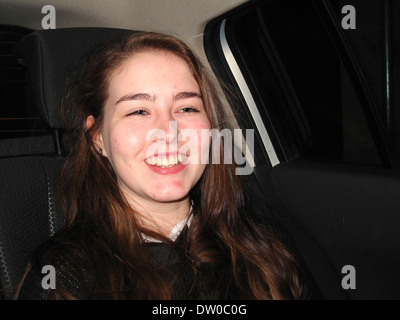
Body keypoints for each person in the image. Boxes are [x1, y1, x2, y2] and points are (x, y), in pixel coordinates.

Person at [16, 31, 316, 300]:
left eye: (187, 108)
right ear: (98, 138)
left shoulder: (261, 245)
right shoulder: (64, 276)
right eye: (139, 111)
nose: (169, 131)